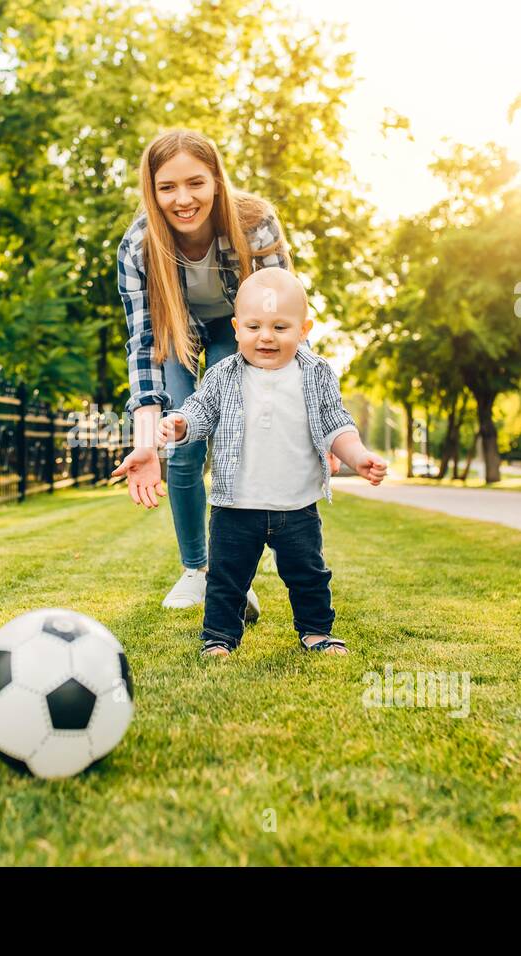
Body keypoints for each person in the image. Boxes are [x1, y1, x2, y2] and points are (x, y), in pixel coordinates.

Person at [156, 267, 388, 657]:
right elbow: (200, 411)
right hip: (236, 505)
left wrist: (358, 455)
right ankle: (219, 637)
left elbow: (336, 422)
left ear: (303, 329)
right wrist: (181, 424)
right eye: (254, 326)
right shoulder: (222, 375)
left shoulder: (315, 374)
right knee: (227, 578)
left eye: (281, 327)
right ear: (236, 328)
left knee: (309, 575)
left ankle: (316, 632)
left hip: (296, 504)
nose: (266, 336)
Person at [110, 128, 293, 617]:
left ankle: (234, 575)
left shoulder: (255, 225)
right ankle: (198, 569)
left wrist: (291, 404)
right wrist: (146, 442)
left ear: (216, 180)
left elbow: (282, 316)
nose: (183, 199)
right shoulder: (139, 247)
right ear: (152, 189)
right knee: (183, 447)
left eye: (195, 183)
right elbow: (144, 346)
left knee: (237, 438)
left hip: (242, 329)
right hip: (177, 334)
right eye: (167, 187)